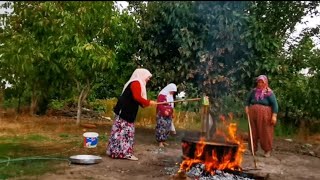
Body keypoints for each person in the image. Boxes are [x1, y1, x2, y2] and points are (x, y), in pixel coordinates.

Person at [106, 68, 157, 161]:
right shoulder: (136, 83)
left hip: (127, 112)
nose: (148, 79)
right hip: (125, 112)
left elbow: (140, 102)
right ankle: (123, 153)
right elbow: (137, 97)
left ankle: (117, 152)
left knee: (121, 132)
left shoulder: (137, 83)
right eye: (148, 77)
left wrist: (149, 103)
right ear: (142, 75)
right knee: (124, 133)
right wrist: (149, 102)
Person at [245, 75, 279, 158]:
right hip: (253, 113)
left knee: (265, 131)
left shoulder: (269, 93)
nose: (260, 84)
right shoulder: (254, 91)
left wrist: (274, 116)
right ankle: (253, 149)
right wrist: (246, 107)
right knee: (253, 131)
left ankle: (267, 150)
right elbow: (247, 100)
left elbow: (275, 105)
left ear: (265, 83)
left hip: (265, 114)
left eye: (262, 82)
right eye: (259, 82)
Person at [155, 83, 177, 147]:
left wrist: (172, 113)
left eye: (174, 92)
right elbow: (160, 105)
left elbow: (171, 105)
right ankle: (160, 142)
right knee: (162, 128)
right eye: (172, 91)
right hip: (162, 115)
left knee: (167, 128)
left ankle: (164, 140)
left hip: (168, 115)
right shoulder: (162, 95)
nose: (173, 92)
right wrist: (164, 111)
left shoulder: (170, 96)